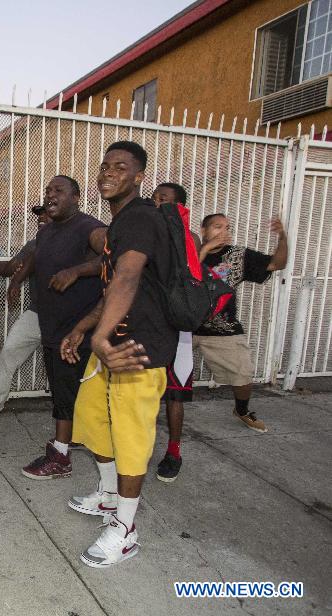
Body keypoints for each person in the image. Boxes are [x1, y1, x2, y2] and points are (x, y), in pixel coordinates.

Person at [60, 141, 174, 568]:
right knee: (92, 418)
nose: (108, 172)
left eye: (120, 167)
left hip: (136, 350)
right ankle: (109, 496)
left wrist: (99, 339)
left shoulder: (141, 217)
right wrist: (83, 327)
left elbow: (127, 276)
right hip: (112, 342)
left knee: (130, 439)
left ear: (139, 176)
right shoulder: (122, 222)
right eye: (104, 166)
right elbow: (114, 290)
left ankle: (125, 530)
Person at [21, 175, 106, 480]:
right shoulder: (46, 233)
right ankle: (63, 445)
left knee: (68, 395)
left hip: (76, 331)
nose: (50, 194)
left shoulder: (88, 227)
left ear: (76, 197)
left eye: (58, 190)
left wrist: (78, 270)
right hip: (52, 328)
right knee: (61, 392)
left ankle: (61, 457)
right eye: (47, 190)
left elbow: (117, 256)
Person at [193, 212, 288, 433]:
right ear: (203, 231)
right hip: (183, 326)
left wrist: (282, 237)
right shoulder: (188, 252)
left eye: (228, 227)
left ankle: (242, 410)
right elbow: (183, 277)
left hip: (222, 327)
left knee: (242, 373)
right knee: (160, 371)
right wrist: (204, 251)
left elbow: (277, 263)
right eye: (217, 227)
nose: (224, 232)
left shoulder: (237, 255)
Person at [150, 182, 199, 482]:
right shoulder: (147, 232)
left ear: (179, 206)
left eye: (163, 199)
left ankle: (173, 451)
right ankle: (134, 450)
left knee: (174, 395)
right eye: (154, 198)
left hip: (178, 330)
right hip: (149, 325)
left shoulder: (188, 237)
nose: (156, 203)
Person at [0, 207, 49, 415]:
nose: (42, 219)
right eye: (39, 216)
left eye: (47, 214)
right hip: (37, 314)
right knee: (10, 350)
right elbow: (8, 269)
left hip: (66, 316)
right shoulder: (33, 245)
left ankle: (73, 411)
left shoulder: (72, 243)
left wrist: (18, 281)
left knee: (65, 366)